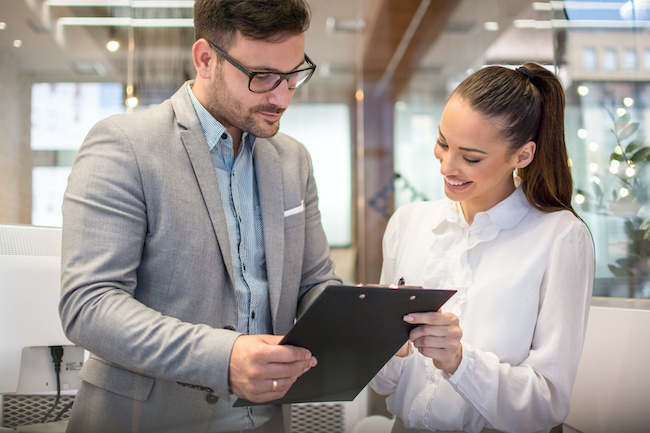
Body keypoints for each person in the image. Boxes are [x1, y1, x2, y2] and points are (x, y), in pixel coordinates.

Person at [59, 1, 341, 432]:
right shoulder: (125, 145)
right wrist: (224, 357)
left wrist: (365, 320)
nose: (282, 96)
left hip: (266, 421)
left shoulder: (292, 160)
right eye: (262, 76)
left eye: (293, 75)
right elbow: (89, 304)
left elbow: (314, 283)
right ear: (206, 59)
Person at [370, 63, 594, 433]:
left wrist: (460, 361)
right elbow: (385, 384)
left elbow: (549, 400)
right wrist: (388, 342)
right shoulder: (408, 222)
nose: (447, 166)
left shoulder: (560, 237)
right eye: (443, 143)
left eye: (471, 158)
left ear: (522, 156)